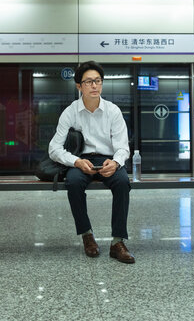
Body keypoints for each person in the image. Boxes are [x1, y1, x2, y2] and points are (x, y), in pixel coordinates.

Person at [49, 61, 135, 264]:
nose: (94, 86)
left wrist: (116, 162)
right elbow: (54, 148)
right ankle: (87, 235)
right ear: (79, 86)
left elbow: (123, 147)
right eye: (88, 82)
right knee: (74, 183)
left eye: (98, 81)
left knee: (123, 183)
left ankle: (117, 242)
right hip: (82, 159)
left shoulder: (113, 111)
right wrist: (76, 161)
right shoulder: (70, 112)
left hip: (108, 160)